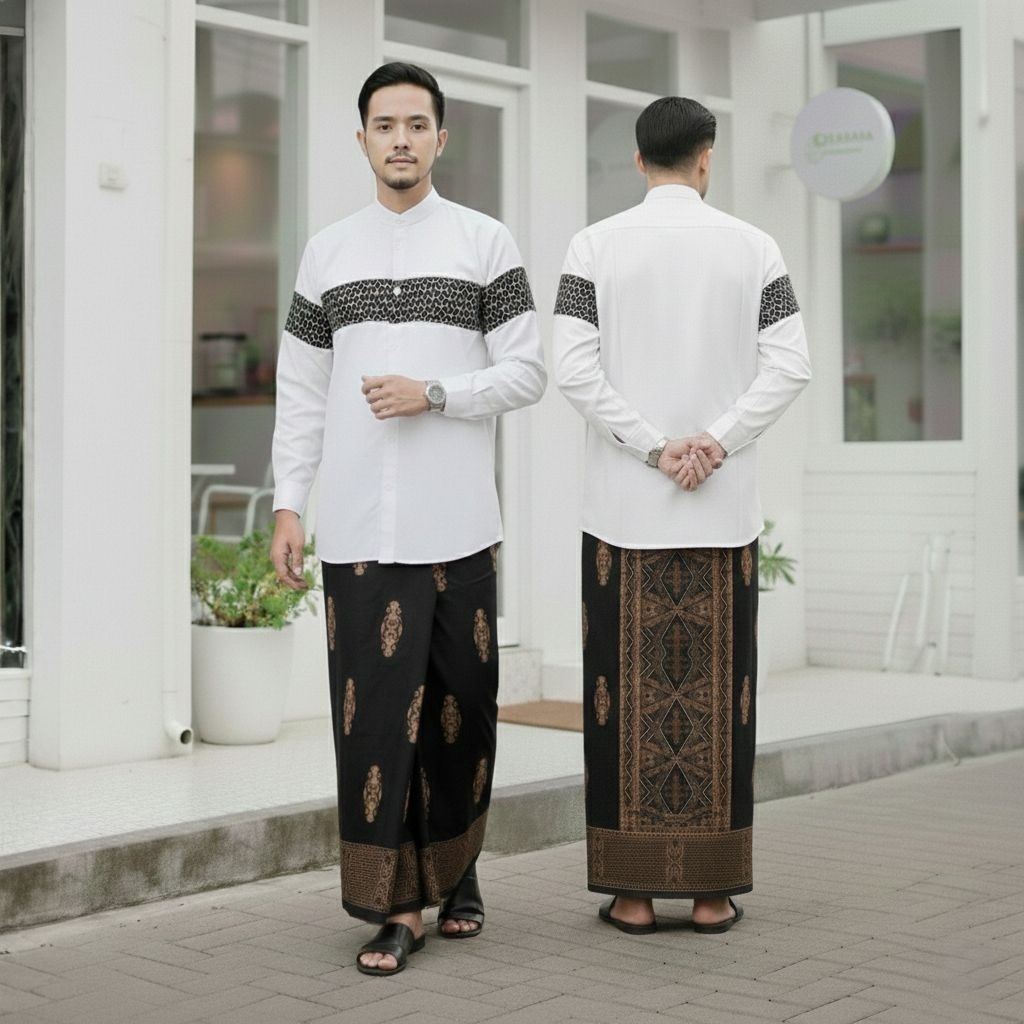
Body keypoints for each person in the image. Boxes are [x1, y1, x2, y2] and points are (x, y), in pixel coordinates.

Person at [270, 61, 546, 976]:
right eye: (384, 125)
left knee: (462, 718)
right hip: (356, 529)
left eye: (416, 124)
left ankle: (457, 874)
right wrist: (288, 501)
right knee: (375, 724)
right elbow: (301, 392)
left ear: (440, 138)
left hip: (458, 523)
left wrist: (435, 393)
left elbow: (528, 371)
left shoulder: (484, 243)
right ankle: (396, 907)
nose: (400, 139)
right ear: (361, 140)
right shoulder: (327, 254)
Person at [552, 96, 810, 935]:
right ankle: (710, 896)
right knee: (718, 704)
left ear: (638, 161)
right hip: (721, 516)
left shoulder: (593, 246)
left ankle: (631, 897)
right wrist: (716, 441)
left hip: (622, 517)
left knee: (618, 703)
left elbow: (573, 369)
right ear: (706, 158)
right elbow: (790, 366)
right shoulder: (754, 247)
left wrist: (652, 447)